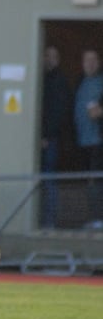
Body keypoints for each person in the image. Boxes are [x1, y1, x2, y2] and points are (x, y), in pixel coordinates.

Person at [40, 45, 72, 229]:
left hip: (51, 139)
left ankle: (49, 221)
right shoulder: (45, 79)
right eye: (47, 56)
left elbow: (58, 112)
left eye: (53, 56)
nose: (49, 59)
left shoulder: (58, 82)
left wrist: (47, 135)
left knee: (48, 177)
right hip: (48, 137)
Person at [73, 48, 103, 229]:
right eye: (86, 60)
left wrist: (99, 112)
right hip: (82, 141)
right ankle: (92, 218)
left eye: (93, 60)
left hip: (98, 141)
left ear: (99, 62)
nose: (90, 64)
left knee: (96, 180)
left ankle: (99, 218)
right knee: (87, 180)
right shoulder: (81, 82)